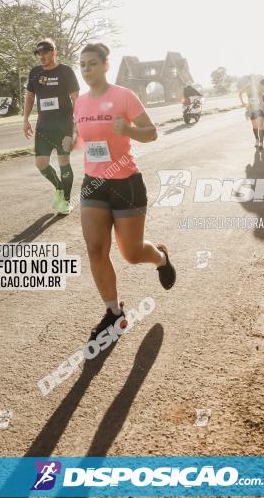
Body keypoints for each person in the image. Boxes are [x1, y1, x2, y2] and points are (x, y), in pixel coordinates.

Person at [74, 42, 176, 342]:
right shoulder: (79, 103)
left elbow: (152, 131)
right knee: (95, 248)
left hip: (125, 183)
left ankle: (160, 258)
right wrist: (71, 142)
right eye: (82, 64)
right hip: (93, 184)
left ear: (106, 65)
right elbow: (84, 138)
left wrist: (129, 130)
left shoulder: (124, 96)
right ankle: (114, 313)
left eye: (92, 63)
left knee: (131, 254)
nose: (86, 68)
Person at [23, 38, 80, 215]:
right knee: (41, 163)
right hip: (44, 126)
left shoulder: (66, 72)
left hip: (63, 125)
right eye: (39, 53)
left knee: (64, 162)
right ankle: (59, 188)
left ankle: (66, 201)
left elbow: (76, 98)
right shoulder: (35, 73)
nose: (41, 56)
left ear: (54, 52)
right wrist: (25, 120)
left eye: (45, 52)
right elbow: (30, 97)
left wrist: (76, 124)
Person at [239, 75, 264, 150]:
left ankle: (261, 143)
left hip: (260, 108)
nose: (252, 82)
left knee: (260, 125)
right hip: (252, 110)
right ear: (249, 80)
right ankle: (257, 139)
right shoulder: (247, 87)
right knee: (255, 126)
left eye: (253, 80)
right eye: (251, 80)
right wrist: (243, 103)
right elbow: (240, 93)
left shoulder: (259, 86)